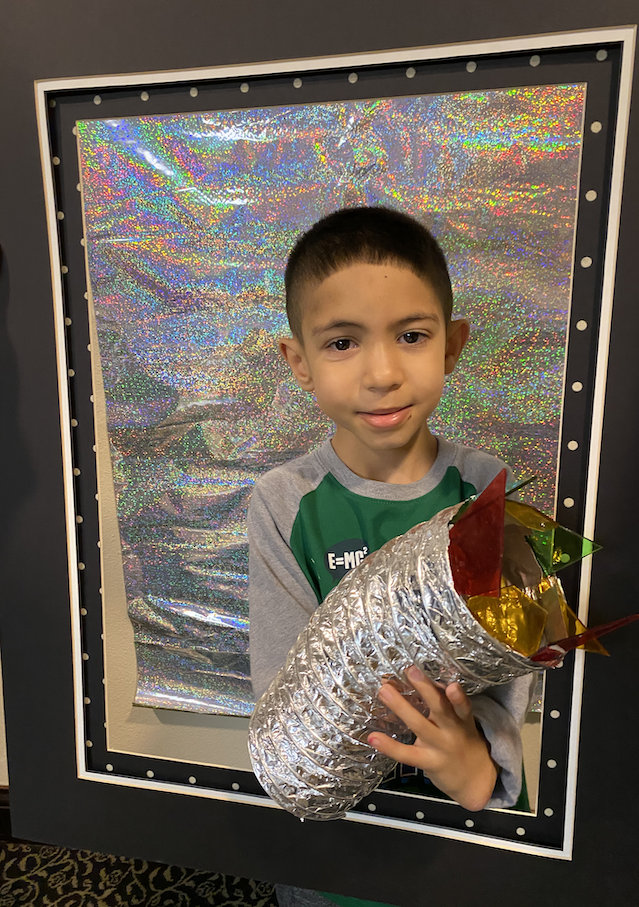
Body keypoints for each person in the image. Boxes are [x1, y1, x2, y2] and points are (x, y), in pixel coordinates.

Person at [247, 206, 533, 907]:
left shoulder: (484, 489)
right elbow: (286, 700)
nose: (381, 373)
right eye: (342, 342)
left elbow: (516, 666)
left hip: (457, 837)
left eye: (410, 335)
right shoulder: (284, 503)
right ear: (299, 362)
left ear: (452, 345)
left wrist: (481, 767)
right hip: (337, 853)